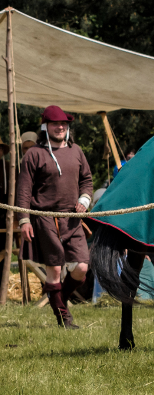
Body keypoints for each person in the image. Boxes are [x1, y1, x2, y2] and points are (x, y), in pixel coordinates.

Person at [17, 106, 93, 329]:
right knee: (55, 269)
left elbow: (86, 180)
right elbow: (24, 190)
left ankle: (59, 299)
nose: (60, 127)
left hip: (72, 218)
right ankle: (64, 319)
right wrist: (24, 220)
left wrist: (85, 199)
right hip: (45, 219)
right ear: (45, 127)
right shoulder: (34, 154)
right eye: (55, 124)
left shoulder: (77, 151)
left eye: (64, 124)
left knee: (81, 267)